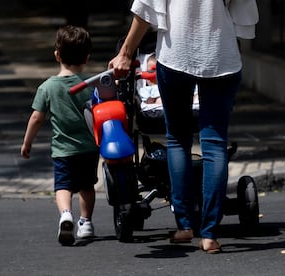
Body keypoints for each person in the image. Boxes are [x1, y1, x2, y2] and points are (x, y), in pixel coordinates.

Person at [109, 0, 258, 253]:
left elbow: (146, 8)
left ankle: (185, 226)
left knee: (177, 138)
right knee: (214, 144)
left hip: (176, 53)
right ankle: (209, 234)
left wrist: (125, 53)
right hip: (220, 54)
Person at [21, 25, 99, 246]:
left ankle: (66, 214)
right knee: (86, 186)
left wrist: (27, 143)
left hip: (62, 149)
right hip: (89, 147)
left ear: (57, 55)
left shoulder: (47, 87)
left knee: (63, 185)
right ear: (87, 56)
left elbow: (36, 118)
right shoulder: (90, 86)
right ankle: (86, 222)